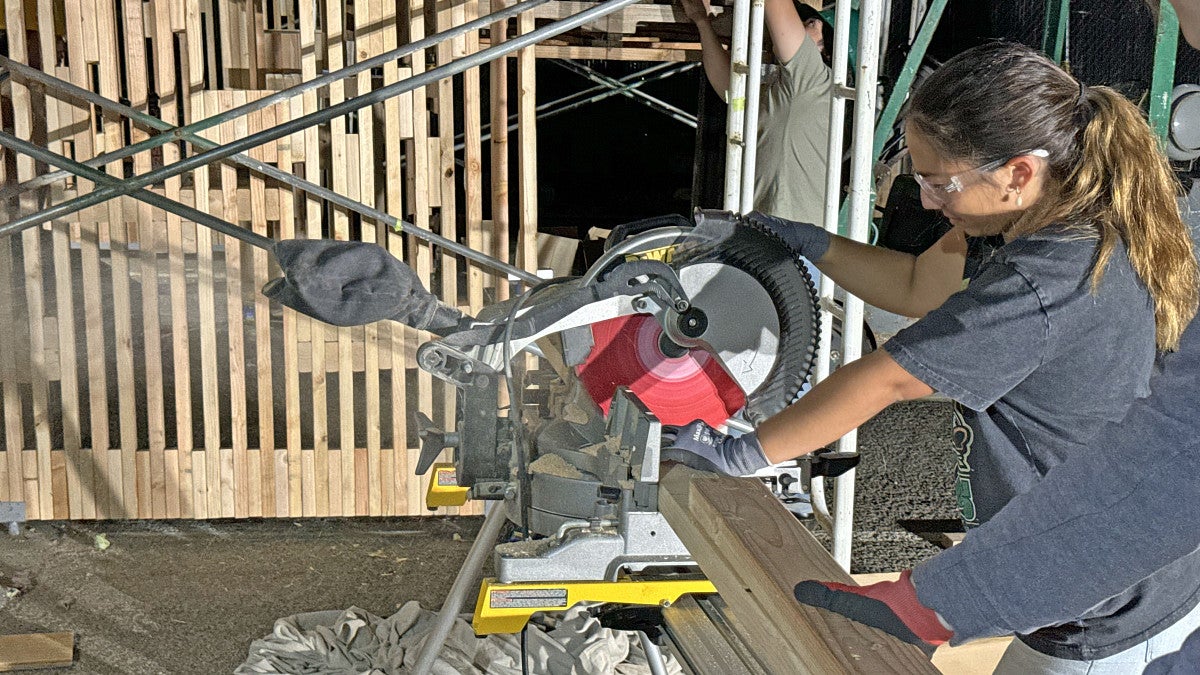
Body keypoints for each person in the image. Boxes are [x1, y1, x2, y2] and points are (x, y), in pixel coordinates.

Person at [662, 41, 1200, 672]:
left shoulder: (1046, 278)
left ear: (1018, 172)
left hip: (1093, 598)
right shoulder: (1080, 215)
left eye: (939, 181)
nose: (924, 200)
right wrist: (807, 244)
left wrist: (744, 454)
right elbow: (917, 284)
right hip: (1123, 575)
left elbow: (889, 381)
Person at [680, 0, 832, 226]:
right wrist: (702, 20)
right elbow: (730, 89)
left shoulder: (813, 78)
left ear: (827, 49)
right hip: (770, 230)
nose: (796, 25)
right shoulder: (788, 91)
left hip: (787, 234)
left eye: (808, 23)